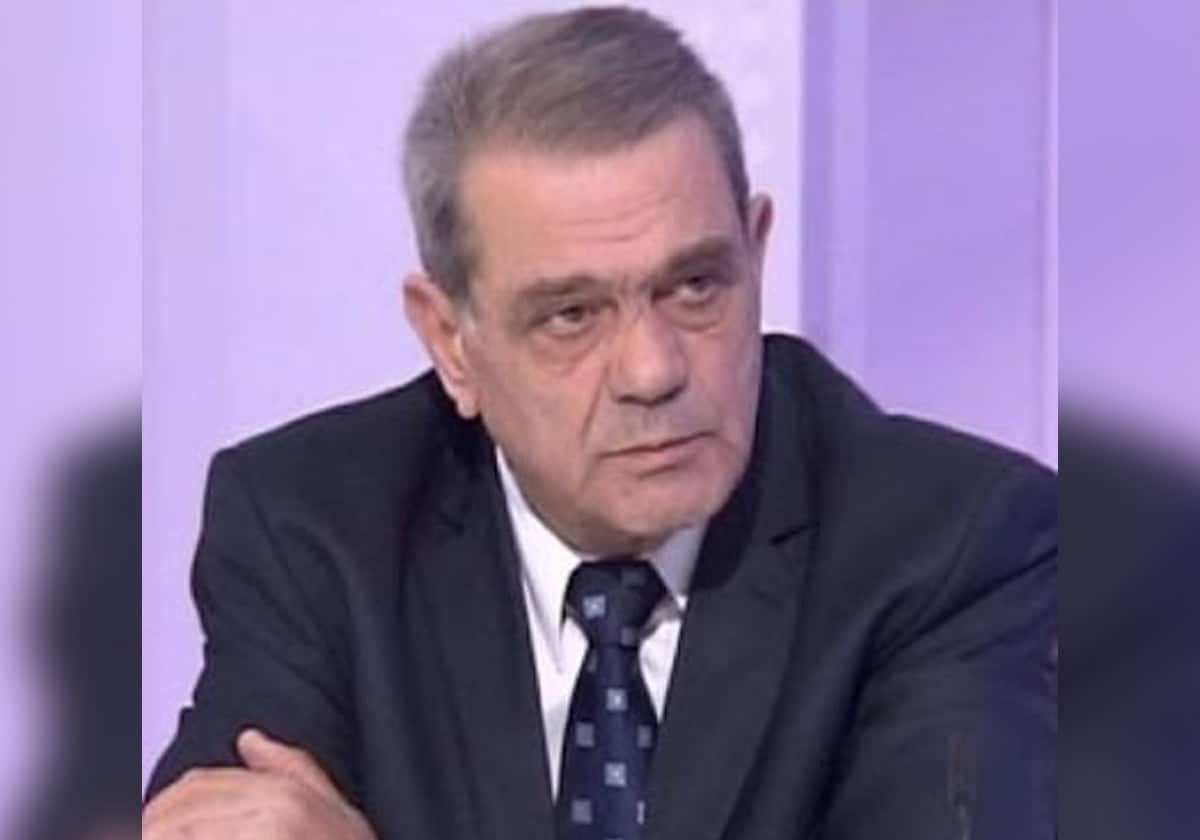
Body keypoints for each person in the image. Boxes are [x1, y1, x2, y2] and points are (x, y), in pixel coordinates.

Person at [142, 7, 1056, 839]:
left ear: (755, 253)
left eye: (694, 286)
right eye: (572, 315)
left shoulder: (952, 546)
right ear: (451, 340)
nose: (654, 370)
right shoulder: (315, 532)